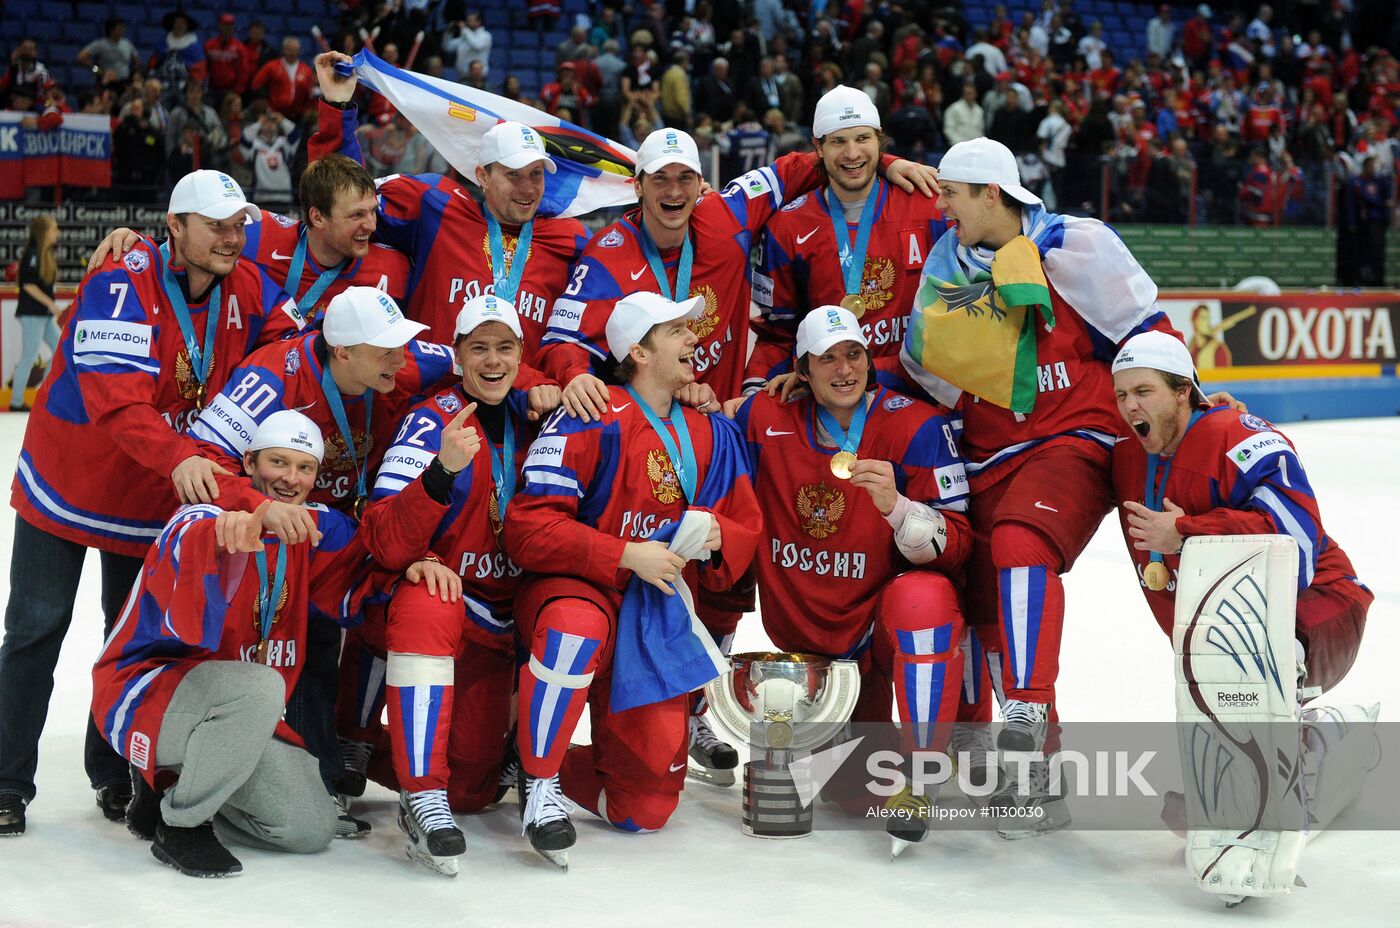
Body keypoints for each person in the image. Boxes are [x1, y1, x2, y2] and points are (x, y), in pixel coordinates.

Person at [0, 170, 304, 837]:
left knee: (130, 639)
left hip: (153, 494)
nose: (231, 238)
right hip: (69, 482)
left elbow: (295, 343)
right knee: (35, 628)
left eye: (238, 225)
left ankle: (112, 773)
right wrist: (183, 458)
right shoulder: (123, 278)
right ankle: (6, 782)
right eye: (216, 225)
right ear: (174, 226)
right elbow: (117, 403)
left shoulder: (250, 287)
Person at [899, 138, 1187, 837]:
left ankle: (1026, 706)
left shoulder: (1078, 245)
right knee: (988, 604)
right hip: (985, 454)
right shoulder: (947, 266)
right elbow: (924, 372)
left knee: (1021, 542)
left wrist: (1191, 404)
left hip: (1074, 437)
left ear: (990, 194)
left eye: (953, 194)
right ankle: (1040, 776)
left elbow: (1148, 332)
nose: (943, 208)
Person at [90, 411, 437, 877]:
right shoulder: (204, 514)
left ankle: (175, 786)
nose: (291, 479)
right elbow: (189, 539)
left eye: (304, 467)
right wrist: (221, 537)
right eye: (278, 462)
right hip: (147, 696)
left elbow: (372, 558)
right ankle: (182, 826)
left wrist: (416, 564)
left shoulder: (309, 529)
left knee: (310, 828)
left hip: (236, 718)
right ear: (249, 462)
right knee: (261, 685)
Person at [1109, 331, 1376, 905]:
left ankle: (1294, 765)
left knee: (1249, 659)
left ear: (1184, 391)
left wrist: (1186, 531)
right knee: (1221, 674)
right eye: (1122, 394)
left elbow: (1297, 537)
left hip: (1322, 607)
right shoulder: (1126, 455)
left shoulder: (1239, 437)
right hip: (1225, 631)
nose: (1130, 405)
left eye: (1144, 391)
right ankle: (1315, 738)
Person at [503, 292, 762, 867]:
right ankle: (540, 784)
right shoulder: (589, 415)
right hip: (578, 590)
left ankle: (533, 759)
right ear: (639, 353)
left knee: (644, 810)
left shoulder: (711, 431)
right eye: (676, 331)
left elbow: (744, 526)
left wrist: (719, 534)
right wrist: (624, 554)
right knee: (575, 628)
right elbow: (527, 529)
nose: (694, 338)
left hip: (655, 614)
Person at [732, 307, 972, 851]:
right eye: (827, 359)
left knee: (923, 598)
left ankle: (923, 773)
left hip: (880, 630)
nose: (844, 369)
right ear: (802, 370)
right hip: (814, 650)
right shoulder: (764, 418)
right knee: (853, 794)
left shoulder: (916, 426)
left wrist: (898, 508)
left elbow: (958, 546)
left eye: (854, 354)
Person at [337, 295, 558, 876]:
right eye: (478, 348)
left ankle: (424, 768)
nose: (492, 360)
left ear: (521, 355)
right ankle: (419, 793)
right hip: (442, 601)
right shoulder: (430, 419)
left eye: (504, 347)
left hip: (497, 619)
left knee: (473, 789)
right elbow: (383, 535)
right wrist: (441, 472)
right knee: (428, 599)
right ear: (457, 356)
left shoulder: (537, 419)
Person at [309, 51, 590, 356]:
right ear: (482, 176)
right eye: (513, 174)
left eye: (536, 174)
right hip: (434, 383)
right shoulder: (436, 207)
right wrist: (338, 106)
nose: (528, 188)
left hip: (527, 387)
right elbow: (343, 193)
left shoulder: (569, 237)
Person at [747, 86, 951, 396]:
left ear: (879, 140)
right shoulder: (787, 227)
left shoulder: (929, 207)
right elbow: (778, 335)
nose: (852, 153)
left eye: (863, 138)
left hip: (920, 394)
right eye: (838, 141)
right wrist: (755, 393)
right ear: (818, 147)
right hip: (831, 397)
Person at [8, 215, 62, 412]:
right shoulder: (33, 254)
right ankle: (16, 402)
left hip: (42, 314)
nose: (57, 233)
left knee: (60, 349)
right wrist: (51, 304)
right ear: (44, 232)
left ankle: (43, 395)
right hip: (33, 314)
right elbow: (29, 285)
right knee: (29, 356)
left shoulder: (44, 254)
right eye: (54, 229)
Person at [251, 37, 315, 122]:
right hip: (275, 113)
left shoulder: (306, 70)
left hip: (298, 115)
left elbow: (311, 92)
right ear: (283, 50)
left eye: (294, 49)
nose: (292, 52)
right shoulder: (272, 66)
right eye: (289, 49)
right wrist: (265, 100)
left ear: (299, 51)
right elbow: (256, 84)